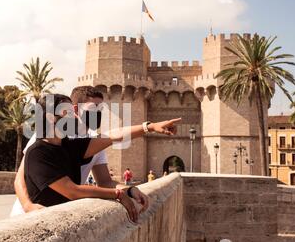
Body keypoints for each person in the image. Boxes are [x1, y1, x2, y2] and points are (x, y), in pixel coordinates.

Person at [20, 93, 181, 222]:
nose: (74, 117)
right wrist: (117, 194)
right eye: (67, 113)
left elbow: (112, 137)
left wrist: (150, 127)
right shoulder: (38, 150)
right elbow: (72, 191)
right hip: (33, 222)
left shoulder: (68, 145)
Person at [10, 86, 132, 216]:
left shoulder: (91, 140)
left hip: (60, 211)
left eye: (100, 109)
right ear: (75, 109)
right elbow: (20, 177)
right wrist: (27, 205)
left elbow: (105, 181)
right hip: (30, 212)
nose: (97, 113)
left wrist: (130, 190)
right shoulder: (47, 137)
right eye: (93, 108)